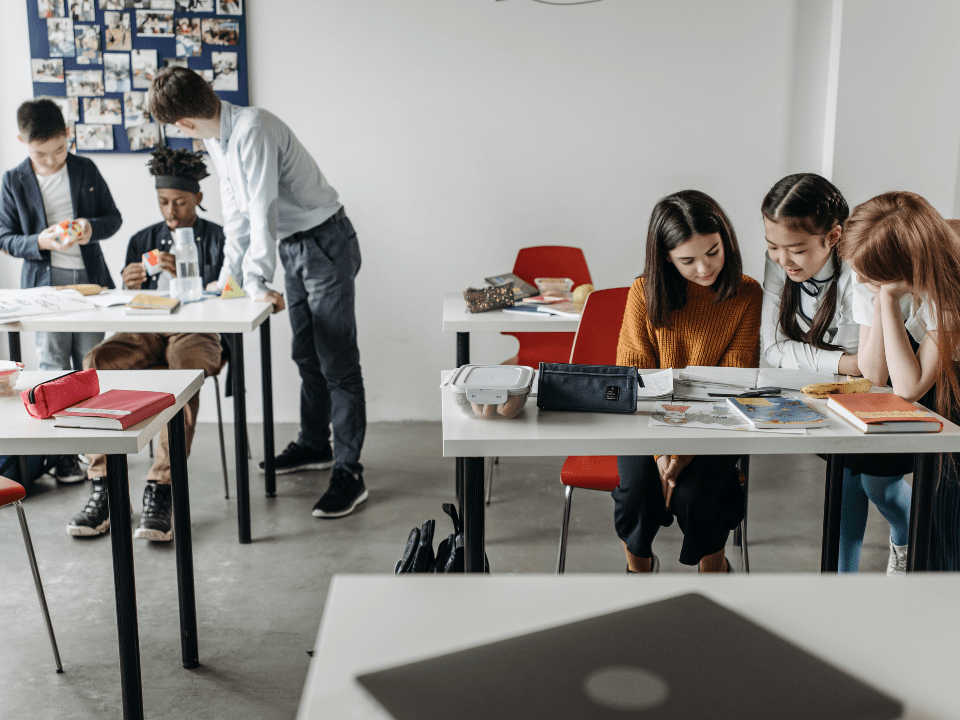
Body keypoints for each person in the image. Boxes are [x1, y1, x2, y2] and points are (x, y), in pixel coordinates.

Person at [148, 67, 368, 519]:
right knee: (305, 353)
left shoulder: (253, 129)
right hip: (294, 245)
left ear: (183, 123)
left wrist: (255, 280)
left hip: (325, 242)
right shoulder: (219, 138)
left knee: (337, 361)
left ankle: (350, 473)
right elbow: (237, 215)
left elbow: (262, 207)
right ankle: (315, 444)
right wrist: (230, 279)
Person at [67, 147, 226, 541]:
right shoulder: (142, 239)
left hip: (197, 329)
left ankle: (162, 487)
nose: (171, 211)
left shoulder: (220, 238)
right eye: (163, 201)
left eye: (180, 202)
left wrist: (192, 276)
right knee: (97, 361)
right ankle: (104, 485)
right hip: (147, 327)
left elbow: (232, 293)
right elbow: (124, 304)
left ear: (198, 198)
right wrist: (129, 284)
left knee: (184, 375)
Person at [760, 173, 912, 574]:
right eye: (772, 247)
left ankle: (907, 540)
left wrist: (849, 364)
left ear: (833, 236)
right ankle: (843, 581)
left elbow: (876, 370)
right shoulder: (782, 263)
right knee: (845, 486)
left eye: (796, 249)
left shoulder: (861, 267)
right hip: (839, 392)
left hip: (893, 387)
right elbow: (773, 350)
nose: (782, 260)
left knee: (880, 488)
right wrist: (847, 363)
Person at [615, 190, 762, 573]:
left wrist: (682, 455)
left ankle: (715, 568)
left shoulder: (746, 294)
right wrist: (661, 453)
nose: (704, 268)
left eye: (713, 252)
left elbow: (732, 383)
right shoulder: (643, 293)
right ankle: (638, 567)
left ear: (725, 240)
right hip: (645, 424)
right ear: (666, 256)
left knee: (697, 495)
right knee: (637, 496)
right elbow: (635, 380)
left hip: (717, 421)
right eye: (688, 260)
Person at [0, 98, 121, 484]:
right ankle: (63, 455)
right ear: (22, 142)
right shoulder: (13, 180)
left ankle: (94, 452)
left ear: (68, 134)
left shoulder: (85, 168)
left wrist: (89, 227)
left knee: (89, 365)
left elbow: (113, 218)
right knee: (53, 367)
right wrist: (39, 241)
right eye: (41, 153)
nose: (52, 160)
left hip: (88, 284)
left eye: (59, 149)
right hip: (43, 287)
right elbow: (4, 237)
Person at [841, 192, 960, 571]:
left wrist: (888, 299)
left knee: (950, 523)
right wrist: (883, 296)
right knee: (933, 516)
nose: (860, 280)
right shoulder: (872, 265)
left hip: (952, 387)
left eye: (870, 276)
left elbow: (909, 387)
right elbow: (874, 373)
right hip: (942, 387)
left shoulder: (950, 276)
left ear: (907, 270)